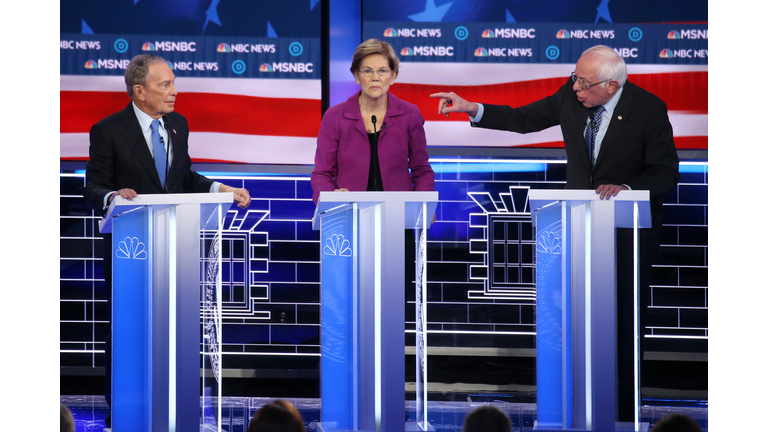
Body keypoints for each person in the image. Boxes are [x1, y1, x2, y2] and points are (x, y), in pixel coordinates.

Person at [431, 45, 679, 421]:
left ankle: (624, 410)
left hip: (627, 237)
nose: (576, 88)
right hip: (575, 231)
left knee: (623, 323)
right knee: (571, 321)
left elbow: (665, 173)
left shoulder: (648, 108)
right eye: (575, 78)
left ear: (612, 85)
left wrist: (626, 188)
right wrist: (472, 108)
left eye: (585, 83)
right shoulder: (571, 94)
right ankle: (571, 403)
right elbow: (523, 118)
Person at [83, 53, 252, 426]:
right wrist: (113, 197)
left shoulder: (178, 124)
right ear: (139, 91)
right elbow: (92, 187)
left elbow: (184, 178)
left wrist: (219, 188)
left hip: (177, 245)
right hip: (131, 250)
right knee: (128, 327)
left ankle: (174, 401)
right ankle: (124, 408)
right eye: (166, 84)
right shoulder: (108, 130)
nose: (175, 91)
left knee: (175, 325)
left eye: (173, 82)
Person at [311, 38, 434, 204]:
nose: (375, 77)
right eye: (367, 71)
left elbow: (421, 170)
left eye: (382, 71)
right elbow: (322, 173)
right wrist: (330, 198)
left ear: (393, 76)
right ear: (357, 76)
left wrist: (424, 204)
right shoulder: (335, 117)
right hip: (348, 213)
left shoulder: (409, 114)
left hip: (398, 214)